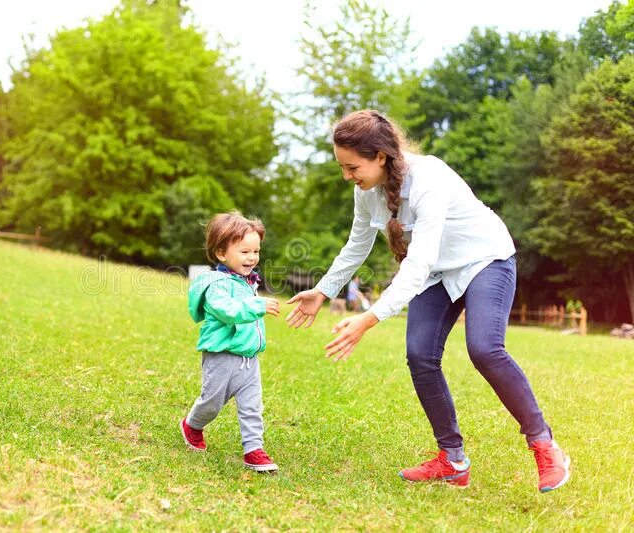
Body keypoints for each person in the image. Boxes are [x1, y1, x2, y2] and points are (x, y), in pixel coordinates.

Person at [286, 109, 570, 492]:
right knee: (420, 354)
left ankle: (544, 444)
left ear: (380, 156)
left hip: (483, 259)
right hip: (436, 272)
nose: (347, 176)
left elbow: (418, 262)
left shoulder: (428, 178)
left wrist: (368, 319)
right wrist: (323, 291)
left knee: (485, 348)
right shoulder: (366, 192)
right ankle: (452, 459)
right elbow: (357, 245)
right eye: (342, 167)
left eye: (352, 167)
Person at [180, 211, 281, 472]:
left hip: (249, 359)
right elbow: (227, 310)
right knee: (212, 403)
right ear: (222, 254)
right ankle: (192, 425)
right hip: (222, 355)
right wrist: (257, 305)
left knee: (252, 407)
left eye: (256, 251)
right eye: (245, 252)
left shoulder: (247, 282)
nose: (253, 258)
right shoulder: (217, 284)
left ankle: (254, 450)